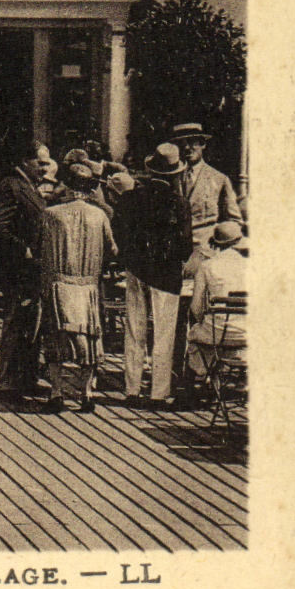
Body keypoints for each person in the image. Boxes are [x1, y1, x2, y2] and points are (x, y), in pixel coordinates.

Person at [115, 143, 195, 406]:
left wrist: (131, 260)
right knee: (164, 332)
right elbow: (185, 245)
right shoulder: (179, 203)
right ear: (175, 174)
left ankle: (132, 389)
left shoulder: (131, 198)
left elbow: (121, 234)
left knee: (134, 329)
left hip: (137, 269)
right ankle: (159, 392)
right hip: (166, 274)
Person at [37, 163, 117, 415]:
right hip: (88, 285)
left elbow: (38, 245)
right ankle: (86, 393)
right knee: (90, 341)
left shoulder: (51, 214)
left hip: (59, 283)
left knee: (55, 339)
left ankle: (56, 392)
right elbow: (112, 249)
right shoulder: (99, 216)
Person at [0, 136, 50, 405]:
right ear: (25, 161)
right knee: (16, 324)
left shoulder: (29, 186)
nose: (45, 168)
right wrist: (22, 249)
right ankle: (7, 385)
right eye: (41, 162)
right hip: (19, 269)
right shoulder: (11, 186)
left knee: (30, 325)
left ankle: (27, 379)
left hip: (32, 269)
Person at [185, 221, 247, 378]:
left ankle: (196, 384)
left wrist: (201, 321)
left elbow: (195, 307)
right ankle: (226, 377)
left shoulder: (207, 266)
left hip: (218, 332)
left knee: (195, 333)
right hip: (248, 332)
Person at [170, 122, 243, 247]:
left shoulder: (219, 179)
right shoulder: (170, 178)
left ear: (202, 144)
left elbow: (235, 221)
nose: (187, 148)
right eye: (182, 143)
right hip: (174, 250)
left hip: (206, 249)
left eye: (192, 142)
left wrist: (219, 241)